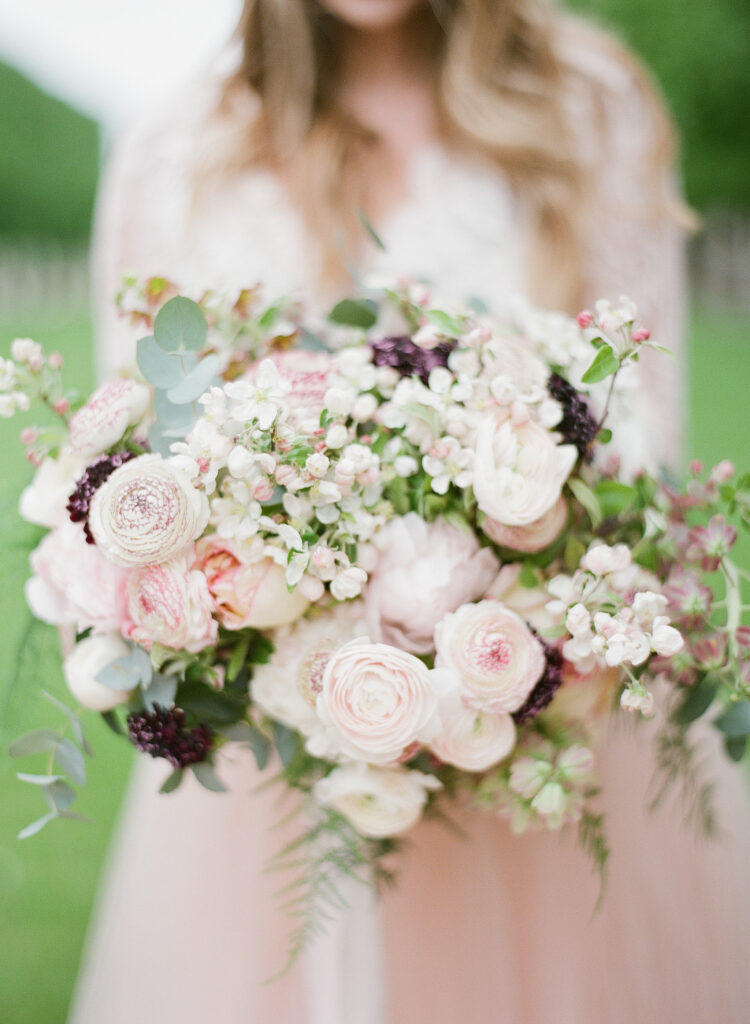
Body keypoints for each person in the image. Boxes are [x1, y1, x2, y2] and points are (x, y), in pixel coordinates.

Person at [69, 2, 750, 1022]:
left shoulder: (586, 103)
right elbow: (131, 447)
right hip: (276, 782)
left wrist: (499, 592)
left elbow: (643, 419)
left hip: (556, 718)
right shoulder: (177, 149)